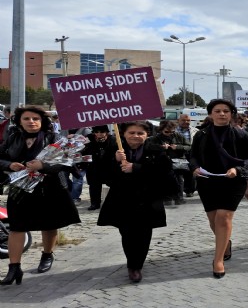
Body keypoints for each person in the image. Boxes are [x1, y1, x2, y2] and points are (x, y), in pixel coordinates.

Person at [0, 106, 81, 285]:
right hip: (20, 189)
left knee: (49, 223)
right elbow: (0, 157)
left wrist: (42, 166)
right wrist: (9, 165)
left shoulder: (53, 137)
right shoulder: (12, 138)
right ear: (19, 121)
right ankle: (14, 268)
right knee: (16, 227)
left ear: (42, 120)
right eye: (26, 118)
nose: (31, 122)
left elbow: (65, 162)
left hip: (50, 189)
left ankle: (47, 255)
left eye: (35, 118)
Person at [97, 121, 176, 283]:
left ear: (147, 135)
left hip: (147, 200)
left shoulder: (155, 150)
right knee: (127, 233)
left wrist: (136, 168)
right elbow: (101, 174)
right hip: (122, 199)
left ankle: (136, 266)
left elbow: (164, 172)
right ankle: (131, 261)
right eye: (131, 133)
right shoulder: (114, 149)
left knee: (144, 233)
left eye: (140, 133)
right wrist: (114, 160)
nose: (136, 136)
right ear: (124, 134)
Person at [190, 99, 248, 278]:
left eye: (226, 111)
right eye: (217, 111)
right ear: (211, 114)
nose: (221, 114)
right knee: (213, 220)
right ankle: (225, 243)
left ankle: (218, 260)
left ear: (231, 114)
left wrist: (238, 169)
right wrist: (194, 168)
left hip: (233, 181)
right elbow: (193, 156)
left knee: (223, 217)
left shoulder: (241, 134)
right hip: (207, 181)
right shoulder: (201, 135)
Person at [147, 120, 190, 205]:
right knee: (164, 180)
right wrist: (161, 147)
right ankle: (167, 198)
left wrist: (178, 147)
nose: (170, 133)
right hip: (162, 162)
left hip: (177, 161)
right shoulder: (155, 138)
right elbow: (149, 147)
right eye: (167, 131)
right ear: (161, 130)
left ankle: (179, 198)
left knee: (179, 180)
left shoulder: (178, 136)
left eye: (172, 131)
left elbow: (189, 146)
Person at [81, 125, 116, 211]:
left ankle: (113, 203)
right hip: (94, 166)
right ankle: (95, 203)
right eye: (96, 132)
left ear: (106, 132)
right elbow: (83, 151)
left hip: (109, 166)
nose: (99, 134)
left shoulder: (113, 139)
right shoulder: (89, 139)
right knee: (94, 186)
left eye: (102, 132)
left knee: (113, 185)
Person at [176, 114, 199, 197]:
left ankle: (189, 190)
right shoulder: (173, 130)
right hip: (178, 154)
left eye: (188, 120)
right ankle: (178, 192)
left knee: (190, 173)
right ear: (178, 121)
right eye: (183, 120)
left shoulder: (195, 130)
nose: (186, 122)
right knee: (178, 173)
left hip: (191, 154)